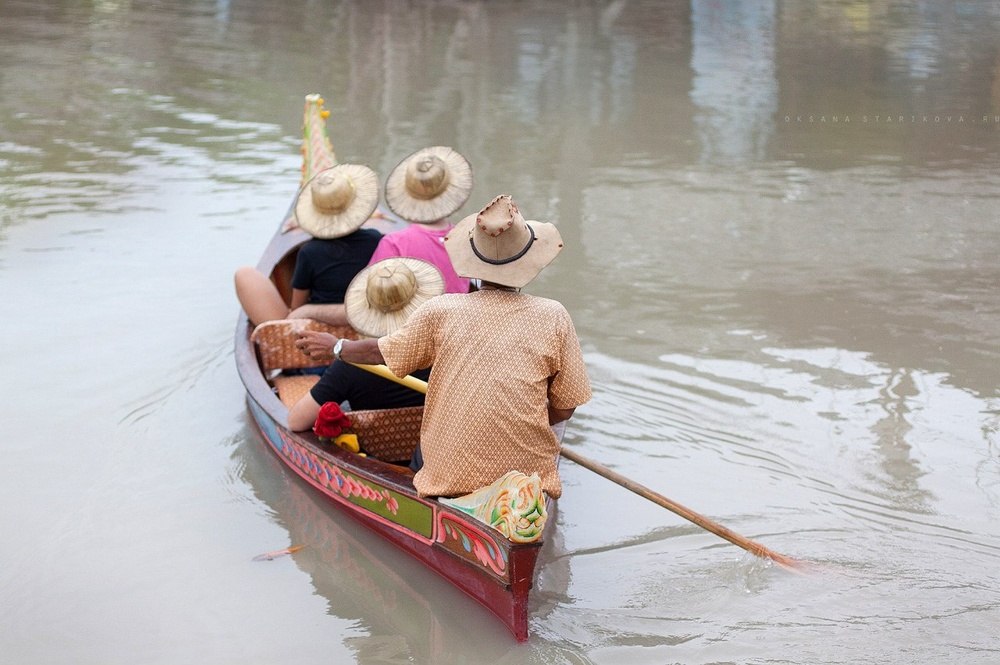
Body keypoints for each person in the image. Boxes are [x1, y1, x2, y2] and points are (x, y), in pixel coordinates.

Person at [297, 194, 592, 499]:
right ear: (529, 261)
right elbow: (564, 408)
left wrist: (337, 348)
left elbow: (380, 352)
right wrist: (525, 421)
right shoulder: (554, 315)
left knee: (422, 455)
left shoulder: (442, 310)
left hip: (451, 472)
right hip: (526, 479)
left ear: (473, 262)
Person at [286, 257, 444, 433]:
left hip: (374, 453)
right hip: (434, 445)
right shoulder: (443, 348)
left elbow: (296, 422)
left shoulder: (349, 365)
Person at [234, 163, 383, 327]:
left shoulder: (309, 252)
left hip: (317, 327)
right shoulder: (376, 240)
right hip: (366, 324)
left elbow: (297, 307)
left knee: (244, 274)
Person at [368, 146, 474, 294]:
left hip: (416, 317)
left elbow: (372, 294)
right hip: (458, 316)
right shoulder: (467, 240)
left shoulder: (394, 244)